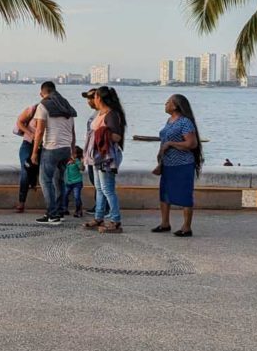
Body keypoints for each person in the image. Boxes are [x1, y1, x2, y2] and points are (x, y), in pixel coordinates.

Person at [135, 93, 202, 237]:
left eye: (168, 102)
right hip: (168, 164)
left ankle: (186, 227)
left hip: (183, 164)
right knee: (164, 194)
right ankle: (165, 223)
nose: (165, 104)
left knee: (184, 194)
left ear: (176, 105)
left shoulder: (185, 122)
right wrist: (160, 159)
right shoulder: (169, 121)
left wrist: (171, 144)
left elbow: (192, 143)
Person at [30, 81, 77, 225]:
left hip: (51, 148)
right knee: (60, 181)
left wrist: (34, 152)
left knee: (45, 181)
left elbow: (39, 131)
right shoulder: (66, 105)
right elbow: (72, 130)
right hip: (66, 149)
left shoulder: (43, 105)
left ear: (42, 92)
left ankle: (52, 214)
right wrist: (73, 149)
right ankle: (61, 210)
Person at [82, 86, 126, 234]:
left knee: (108, 189)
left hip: (106, 157)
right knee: (99, 188)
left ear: (99, 98)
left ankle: (115, 220)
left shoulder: (112, 115)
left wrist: (102, 133)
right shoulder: (100, 113)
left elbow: (117, 136)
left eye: (95, 96)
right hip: (97, 156)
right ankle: (99, 217)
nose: (93, 99)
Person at [13, 102, 39, 213]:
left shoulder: (53, 113)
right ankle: (21, 202)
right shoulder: (33, 109)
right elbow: (19, 122)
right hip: (27, 143)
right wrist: (29, 133)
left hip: (42, 146)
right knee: (25, 169)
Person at [65, 145, 85, 218]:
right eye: (71, 153)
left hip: (77, 182)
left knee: (77, 196)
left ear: (77, 155)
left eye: (73, 153)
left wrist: (79, 162)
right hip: (68, 182)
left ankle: (78, 210)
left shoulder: (77, 161)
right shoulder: (67, 160)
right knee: (65, 195)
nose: (72, 155)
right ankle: (65, 209)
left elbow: (82, 168)